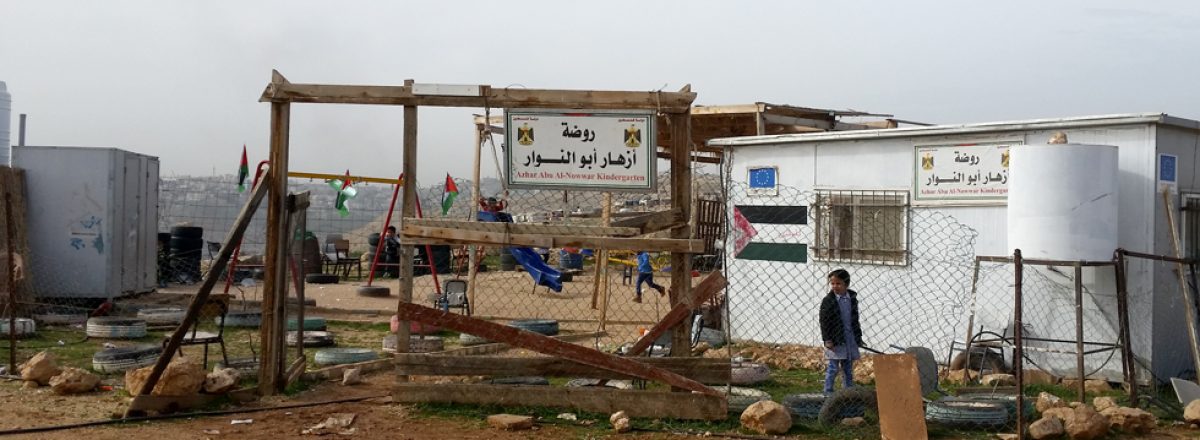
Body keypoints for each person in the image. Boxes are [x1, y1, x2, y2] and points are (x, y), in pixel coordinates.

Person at [819, 269, 863, 395]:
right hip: (835, 339)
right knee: (833, 367)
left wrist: (858, 337)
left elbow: (855, 319)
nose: (835, 286)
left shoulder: (852, 299)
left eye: (838, 284)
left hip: (848, 338)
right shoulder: (829, 301)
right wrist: (827, 339)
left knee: (848, 368)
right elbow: (824, 321)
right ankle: (828, 392)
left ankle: (847, 392)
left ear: (846, 284)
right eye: (832, 284)